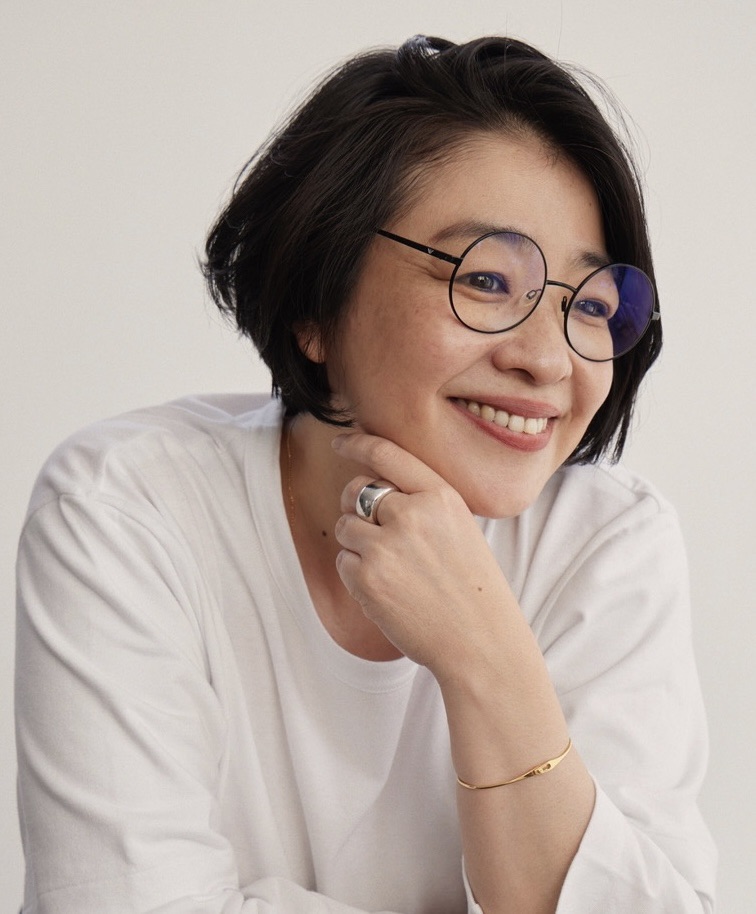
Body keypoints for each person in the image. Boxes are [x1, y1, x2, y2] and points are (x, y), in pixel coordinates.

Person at [15, 34, 716, 914]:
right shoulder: (124, 512)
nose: (548, 359)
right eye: (489, 279)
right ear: (317, 300)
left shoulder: (609, 544)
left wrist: (485, 657)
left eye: (589, 304)